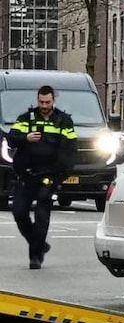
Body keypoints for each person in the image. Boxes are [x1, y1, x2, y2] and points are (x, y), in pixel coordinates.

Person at [7, 85, 78, 269]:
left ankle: (35, 256)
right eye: (41, 101)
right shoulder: (26, 119)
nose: (44, 105)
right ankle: (38, 243)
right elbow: (11, 138)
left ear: (54, 100)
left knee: (42, 214)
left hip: (49, 175)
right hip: (27, 174)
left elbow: (70, 149)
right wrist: (25, 138)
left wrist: (61, 174)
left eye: (47, 102)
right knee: (19, 211)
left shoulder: (63, 121)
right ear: (37, 100)